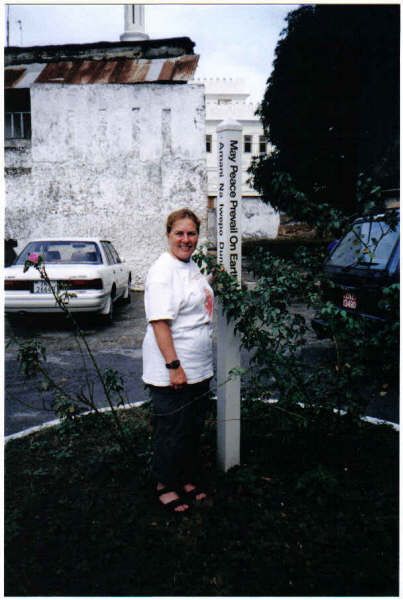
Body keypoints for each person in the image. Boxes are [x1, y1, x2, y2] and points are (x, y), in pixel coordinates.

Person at [142, 208, 214, 513]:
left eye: (191, 233)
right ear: (168, 235)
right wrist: (174, 367)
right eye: (179, 233)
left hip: (197, 366)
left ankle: (184, 478)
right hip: (173, 367)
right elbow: (160, 322)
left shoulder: (189, 265)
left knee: (191, 427)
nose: (186, 239)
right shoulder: (163, 271)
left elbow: (193, 295)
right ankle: (165, 485)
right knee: (172, 429)